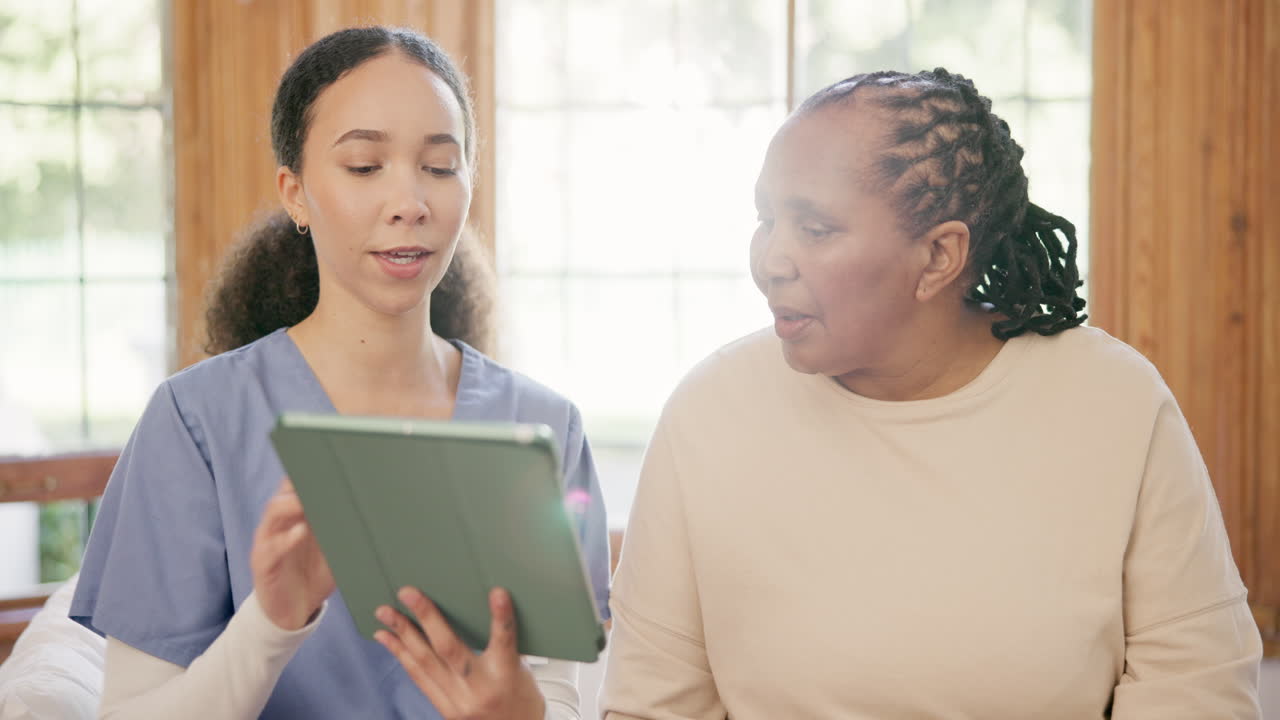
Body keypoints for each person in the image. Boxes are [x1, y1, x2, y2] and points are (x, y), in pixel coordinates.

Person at [599, 69, 1262, 718]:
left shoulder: (1114, 403)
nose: (770, 259)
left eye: (815, 229)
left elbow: (1196, 689)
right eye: (766, 219)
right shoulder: (709, 413)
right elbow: (651, 704)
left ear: (940, 256)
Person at [69, 26, 610, 720]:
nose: (410, 201)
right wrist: (271, 623)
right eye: (363, 165)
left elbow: (564, 697)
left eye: (440, 166)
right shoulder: (195, 423)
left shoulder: (545, 428)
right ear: (295, 193)